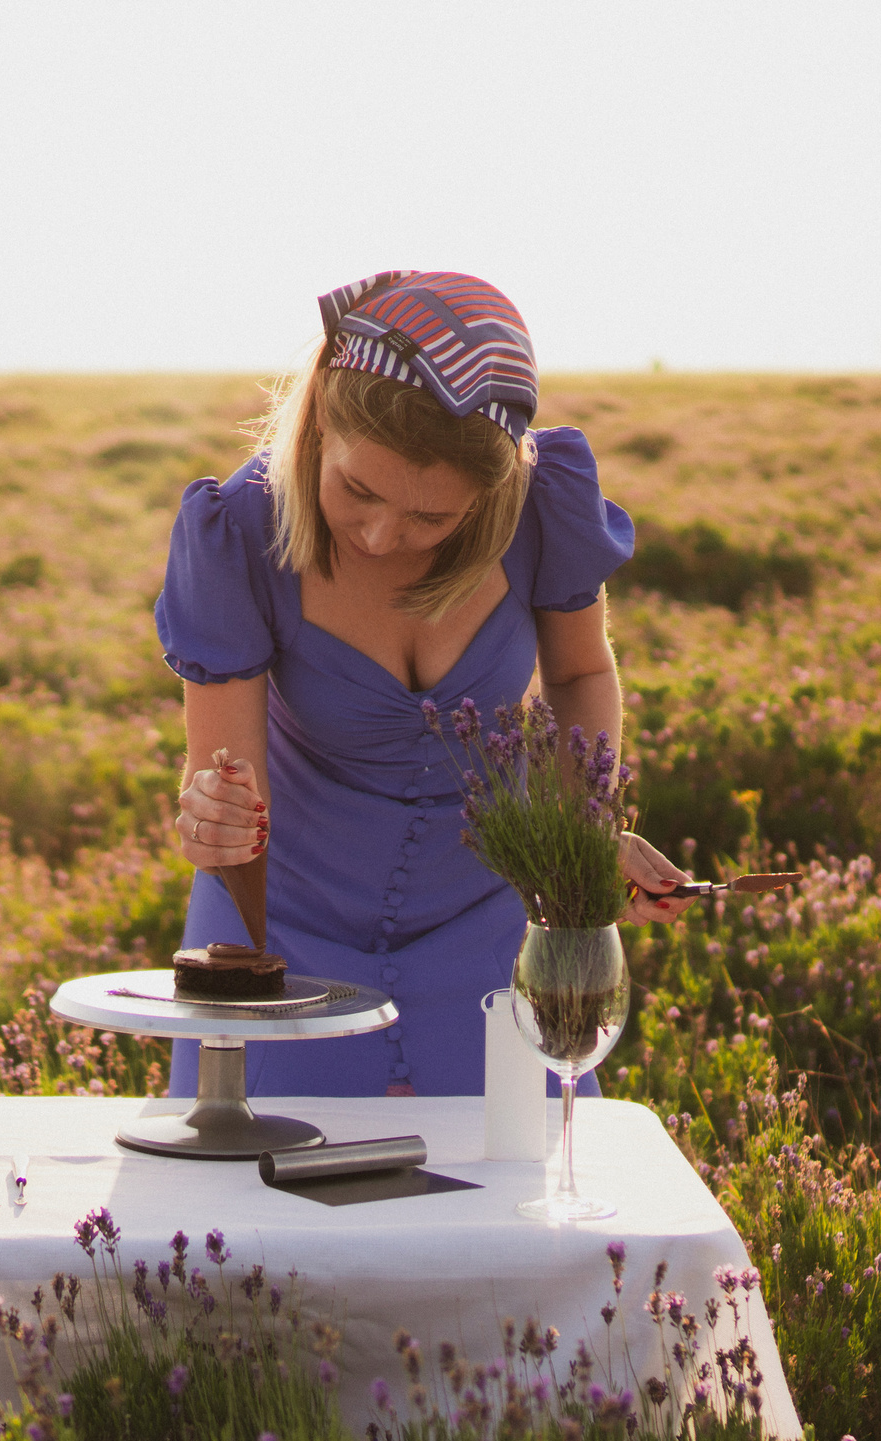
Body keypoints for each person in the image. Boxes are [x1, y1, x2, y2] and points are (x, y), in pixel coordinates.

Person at [155, 271, 697, 1099]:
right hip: (279, 938)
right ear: (320, 423)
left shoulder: (542, 506)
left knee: (522, 1206)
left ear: (493, 489)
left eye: (430, 518)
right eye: (357, 491)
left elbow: (582, 671)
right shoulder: (238, 532)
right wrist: (210, 817)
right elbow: (225, 783)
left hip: (492, 928)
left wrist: (579, 836)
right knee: (261, 1217)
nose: (380, 534)